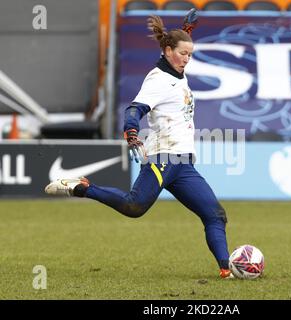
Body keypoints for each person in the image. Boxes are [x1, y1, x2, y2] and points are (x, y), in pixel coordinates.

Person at [44, 9, 233, 279]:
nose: (187, 59)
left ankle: (228, 269)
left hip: (183, 164)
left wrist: (185, 32)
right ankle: (82, 188)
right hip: (163, 157)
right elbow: (135, 109)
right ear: (168, 51)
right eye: (183, 54)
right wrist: (131, 131)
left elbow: (172, 54)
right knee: (134, 207)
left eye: (190, 54)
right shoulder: (157, 80)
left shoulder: (176, 70)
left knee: (215, 215)